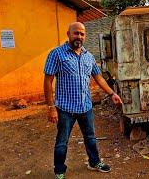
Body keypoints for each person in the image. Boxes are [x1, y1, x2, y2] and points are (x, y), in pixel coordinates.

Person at [44, 22, 122, 179]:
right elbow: (47, 81)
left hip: (86, 107)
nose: (79, 36)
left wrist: (112, 93)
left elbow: (98, 78)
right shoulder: (56, 54)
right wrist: (51, 106)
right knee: (62, 142)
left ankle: (94, 162)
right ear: (68, 34)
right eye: (76, 33)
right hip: (65, 109)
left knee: (90, 138)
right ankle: (59, 170)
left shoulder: (89, 56)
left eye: (82, 34)